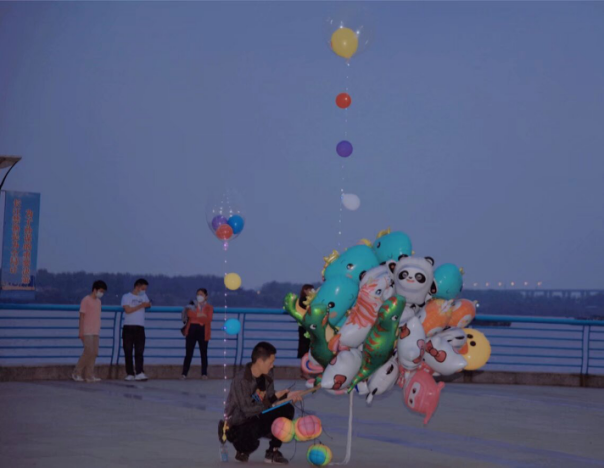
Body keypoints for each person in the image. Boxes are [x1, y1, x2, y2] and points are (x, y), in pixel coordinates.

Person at [219, 342, 302, 464]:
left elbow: (269, 396)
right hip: (240, 423)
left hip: (258, 416)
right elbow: (247, 410)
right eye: (270, 362)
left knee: (287, 409)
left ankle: (273, 451)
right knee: (250, 438)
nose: (272, 366)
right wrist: (273, 401)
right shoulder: (241, 380)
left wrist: (287, 396)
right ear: (259, 362)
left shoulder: (268, 374)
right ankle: (240, 446)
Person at [72, 280, 107, 383]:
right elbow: (82, 316)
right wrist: (81, 331)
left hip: (96, 331)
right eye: (100, 291)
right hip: (87, 331)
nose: (101, 293)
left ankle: (89, 375)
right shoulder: (86, 300)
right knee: (88, 351)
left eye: (103, 292)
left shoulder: (99, 302)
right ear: (95, 290)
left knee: (94, 353)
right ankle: (76, 372)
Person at [121, 278, 151, 381]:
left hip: (140, 327)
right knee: (128, 351)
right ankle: (130, 373)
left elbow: (148, 304)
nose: (144, 291)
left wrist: (147, 304)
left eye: (145, 289)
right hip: (128, 326)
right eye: (143, 288)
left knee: (139, 351)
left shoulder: (144, 296)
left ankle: (139, 372)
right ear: (137, 287)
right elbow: (128, 310)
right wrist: (141, 305)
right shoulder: (126, 297)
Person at [181, 288, 213, 379]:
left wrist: (197, 315)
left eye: (201, 294)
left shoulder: (209, 307)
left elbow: (208, 319)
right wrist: (201, 315)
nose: (199, 296)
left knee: (203, 353)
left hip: (203, 331)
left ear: (206, 296)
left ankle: (204, 374)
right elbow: (190, 314)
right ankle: (184, 373)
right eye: (198, 294)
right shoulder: (191, 305)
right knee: (188, 353)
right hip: (191, 330)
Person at [296, 284, 314, 359]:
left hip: (303, 324)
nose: (311, 292)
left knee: (304, 343)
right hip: (305, 325)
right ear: (305, 290)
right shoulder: (304, 300)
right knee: (305, 343)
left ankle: (304, 358)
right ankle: (306, 358)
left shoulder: (302, 299)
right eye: (310, 290)